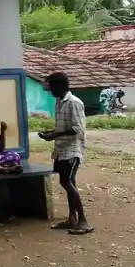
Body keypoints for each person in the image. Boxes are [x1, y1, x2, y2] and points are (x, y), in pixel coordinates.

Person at [39, 72, 94, 235]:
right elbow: (65, 127)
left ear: (59, 86)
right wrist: (51, 132)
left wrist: (54, 135)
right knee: (69, 182)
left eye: (51, 87)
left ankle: (83, 220)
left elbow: (78, 129)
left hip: (72, 149)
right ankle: (72, 218)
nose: (49, 91)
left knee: (66, 181)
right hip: (62, 149)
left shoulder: (74, 103)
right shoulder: (59, 102)